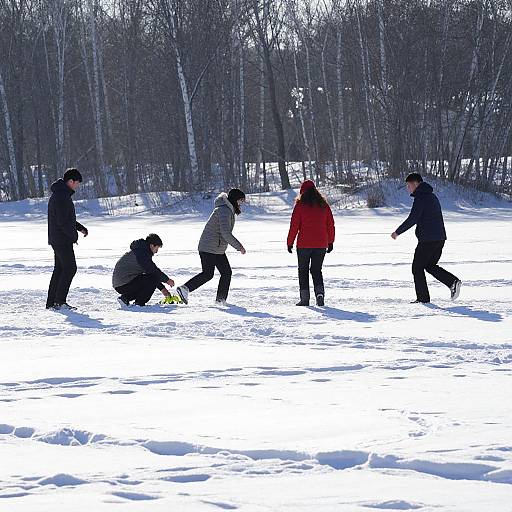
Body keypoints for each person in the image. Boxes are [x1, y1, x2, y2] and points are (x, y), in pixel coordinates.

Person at [391, 173, 462, 303]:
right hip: (439, 239)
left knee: (417, 268)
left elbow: (413, 218)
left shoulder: (421, 198)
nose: (408, 188)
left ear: (416, 184)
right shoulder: (431, 196)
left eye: (408, 185)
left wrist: (397, 232)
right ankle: (452, 282)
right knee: (429, 265)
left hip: (427, 240)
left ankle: (423, 299)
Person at [176, 189, 246, 305]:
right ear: (234, 199)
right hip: (209, 247)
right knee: (208, 274)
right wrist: (239, 246)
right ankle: (185, 288)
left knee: (226, 272)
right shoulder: (224, 211)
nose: (241, 203)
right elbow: (225, 233)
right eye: (240, 200)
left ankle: (220, 300)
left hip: (216, 248)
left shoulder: (227, 210)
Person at [287, 180, 335, 306]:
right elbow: (330, 224)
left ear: (302, 192)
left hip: (304, 245)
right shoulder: (324, 205)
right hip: (321, 244)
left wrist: (289, 242)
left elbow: (294, 226)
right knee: (316, 270)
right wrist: (330, 241)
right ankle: (320, 294)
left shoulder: (300, 205)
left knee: (303, 270)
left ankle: (305, 298)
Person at [46, 168, 88, 310]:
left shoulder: (61, 194)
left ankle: (52, 302)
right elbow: (62, 221)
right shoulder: (61, 196)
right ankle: (59, 301)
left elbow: (66, 219)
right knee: (70, 268)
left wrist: (79, 227)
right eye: (77, 183)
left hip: (58, 238)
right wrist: (73, 235)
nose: (77, 186)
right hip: (62, 239)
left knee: (60, 269)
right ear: (70, 181)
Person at [112, 233, 175, 306]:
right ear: (151, 245)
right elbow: (154, 271)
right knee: (151, 280)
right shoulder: (142, 254)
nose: (157, 251)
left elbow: (151, 273)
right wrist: (167, 280)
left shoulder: (141, 251)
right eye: (157, 248)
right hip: (123, 283)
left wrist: (163, 289)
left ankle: (125, 298)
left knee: (148, 280)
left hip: (122, 284)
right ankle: (139, 303)